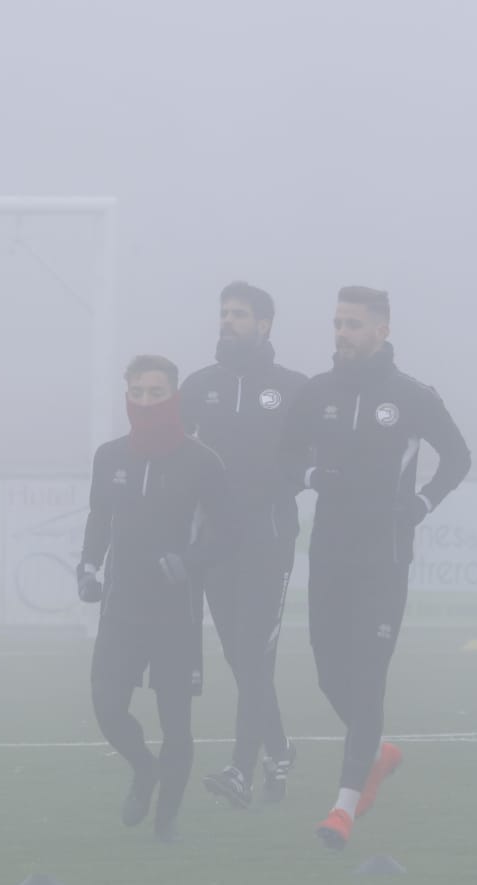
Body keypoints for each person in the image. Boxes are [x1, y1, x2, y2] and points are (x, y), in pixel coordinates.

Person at [280, 286, 472, 849]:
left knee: (367, 678)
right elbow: (286, 459)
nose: (343, 333)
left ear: (382, 331)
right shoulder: (316, 395)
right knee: (328, 675)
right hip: (330, 553)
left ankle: (341, 809)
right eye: (338, 323)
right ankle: (378, 752)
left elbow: (458, 457)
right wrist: (313, 478)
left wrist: (423, 503)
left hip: (385, 557)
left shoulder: (411, 397)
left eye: (355, 324)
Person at [76, 355, 236, 841]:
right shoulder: (110, 457)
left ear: (174, 397)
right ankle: (144, 769)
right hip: (122, 606)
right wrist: (87, 567)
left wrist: (189, 562)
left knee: (176, 723)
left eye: (156, 392)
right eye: (138, 392)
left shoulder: (202, 461)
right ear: (128, 396)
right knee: (106, 705)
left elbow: (226, 533)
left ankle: (165, 822)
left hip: (175, 610)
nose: (146, 401)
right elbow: (99, 518)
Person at [179, 282, 308, 808]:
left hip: (267, 540)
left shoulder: (293, 388)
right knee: (240, 656)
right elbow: (175, 458)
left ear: (265, 324)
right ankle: (278, 748)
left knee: (255, 653)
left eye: (239, 314)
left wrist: (270, 487)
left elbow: (309, 463)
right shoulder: (198, 385)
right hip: (215, 545)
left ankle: (241, 769)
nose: (228, 321)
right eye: (224, 313)